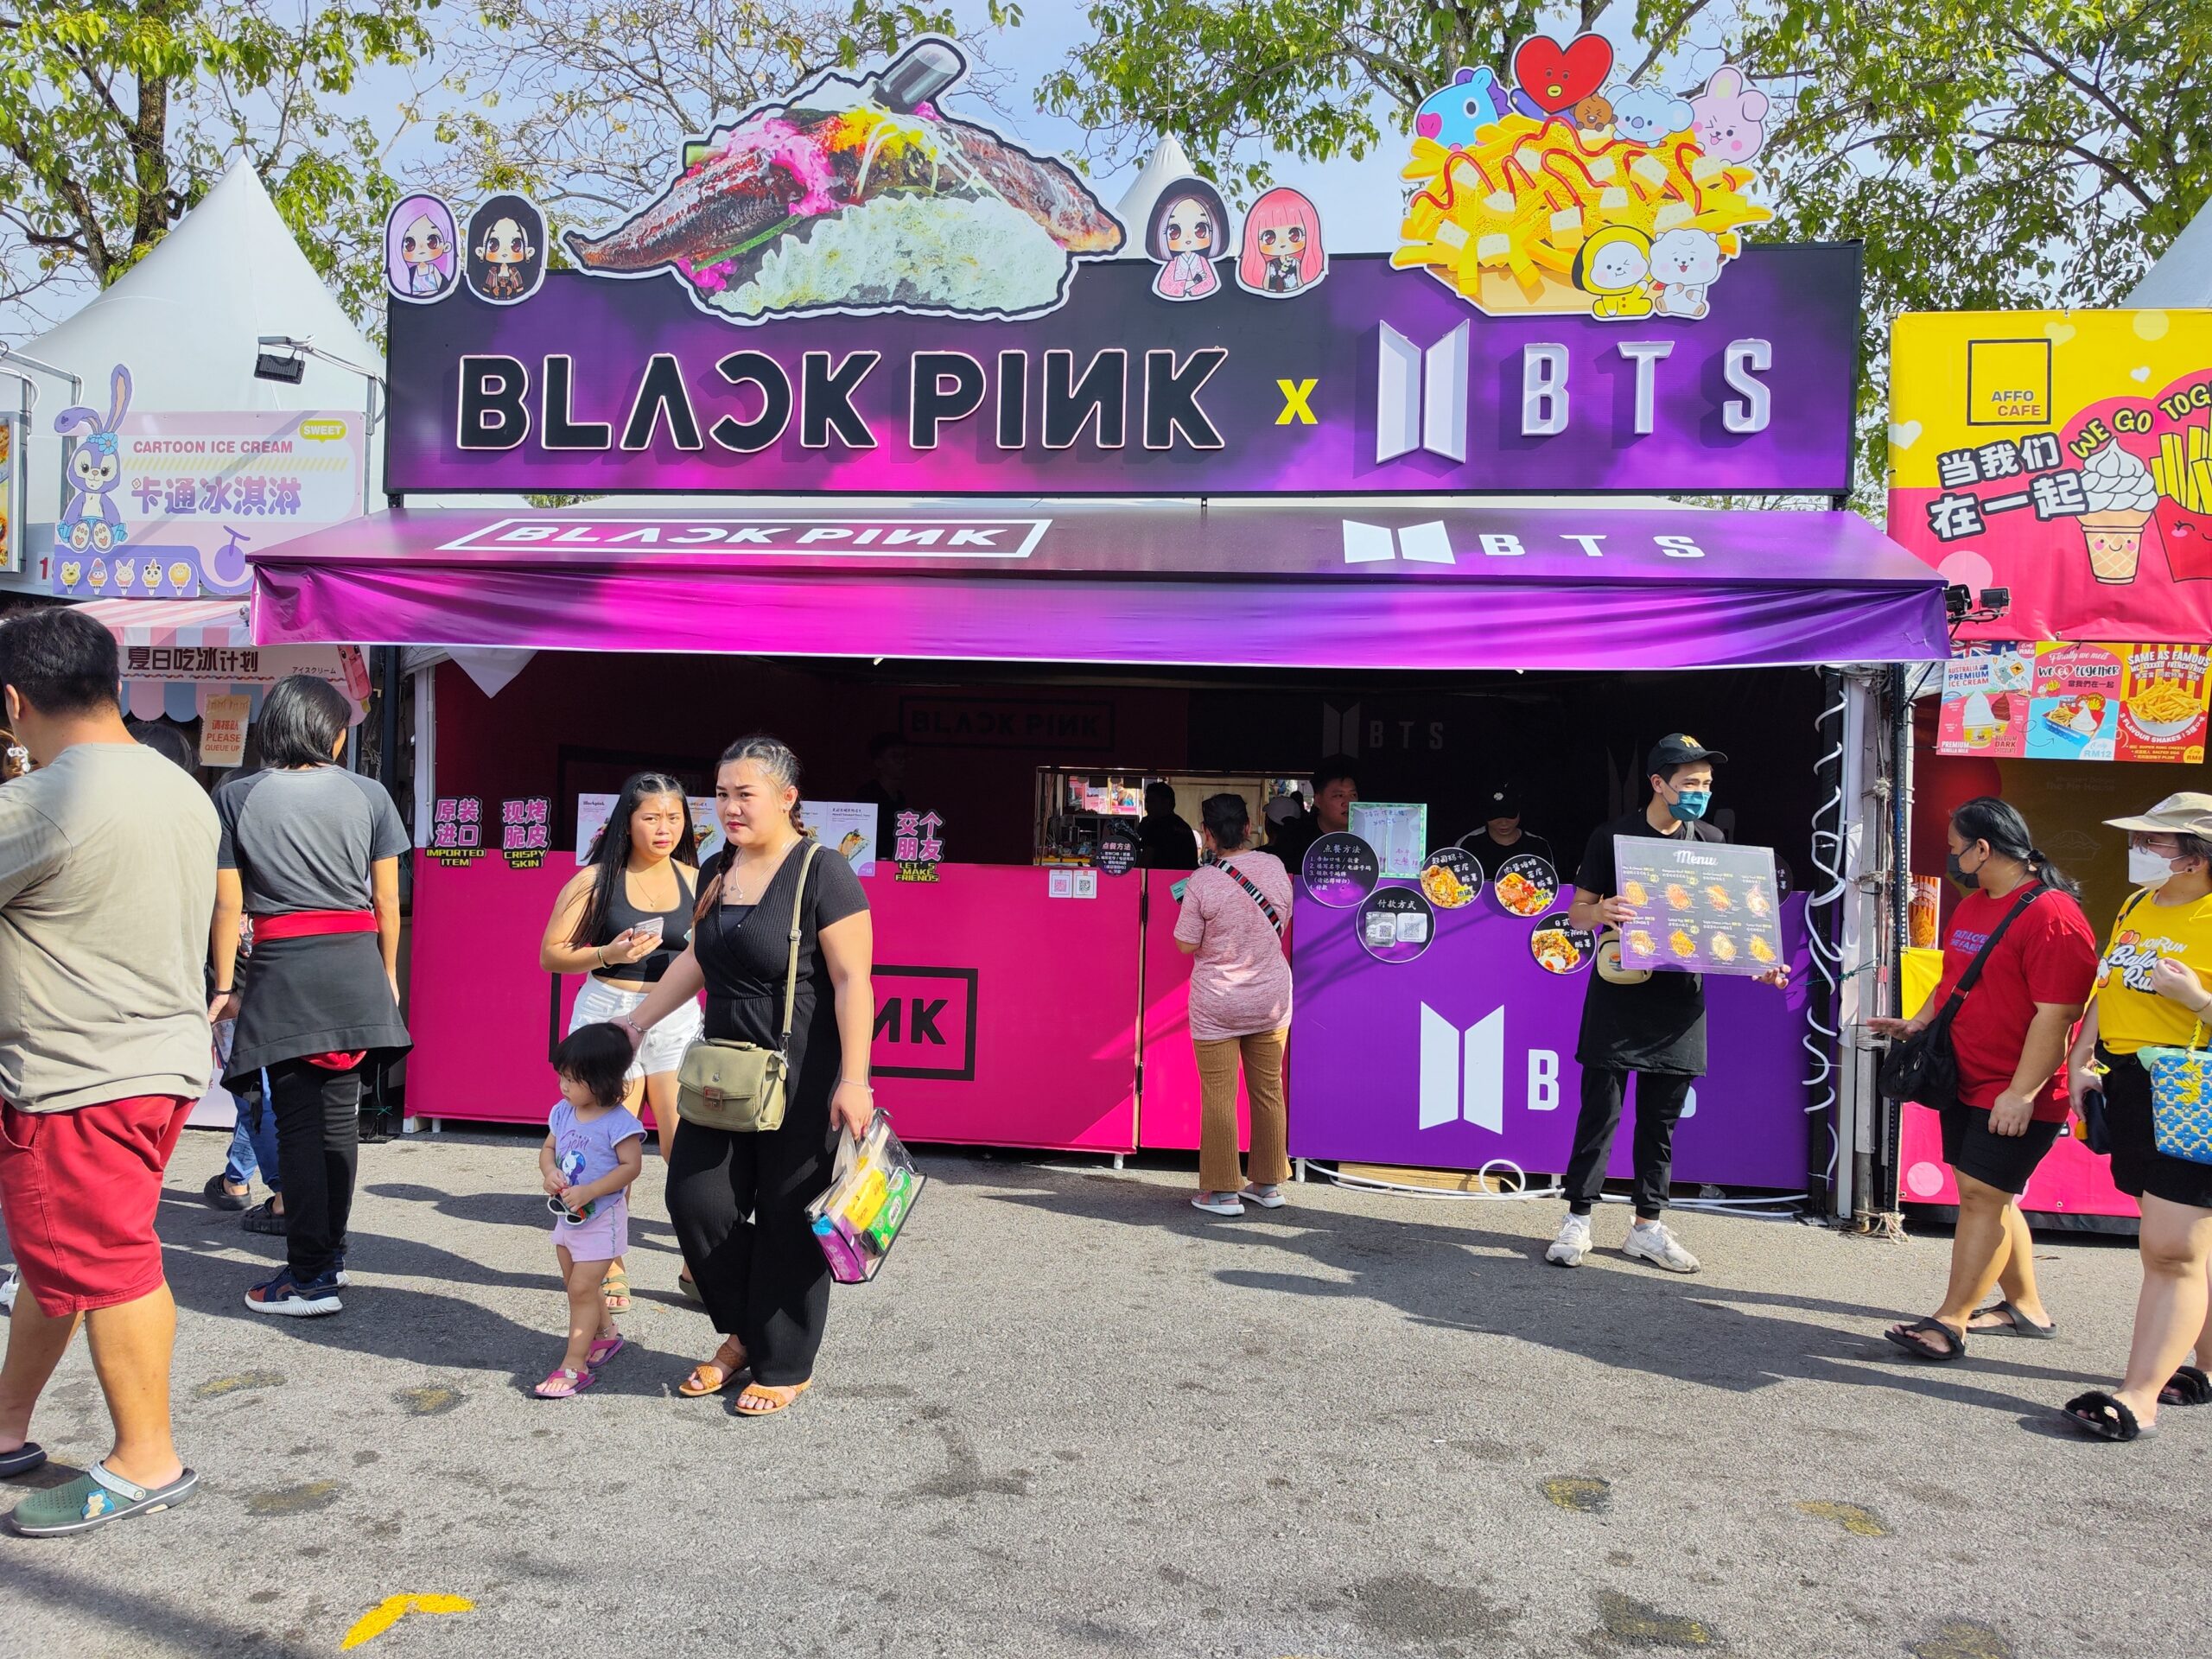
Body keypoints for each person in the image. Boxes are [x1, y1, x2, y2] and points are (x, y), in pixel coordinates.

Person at [0, 607, 217, 1535]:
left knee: (106, 1261)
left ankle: (144, 1459)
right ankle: (7, 1426)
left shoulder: (45, 801)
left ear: (15, 701)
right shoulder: (178, 786)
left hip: (75, 1074)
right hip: (155, 1063)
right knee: (61, 1260)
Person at [613, 736, 874, 1418]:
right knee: (695, 1202)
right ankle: (751, 1330)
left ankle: (782, 1360)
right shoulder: (717, 869)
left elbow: (854, 981)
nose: (728, 807)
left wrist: (855, 1080)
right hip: (724, 1070)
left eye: (744, 794)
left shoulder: (823, 871)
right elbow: (697, 960)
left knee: (789, 1216)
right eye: (722, 794)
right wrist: (634, 1024)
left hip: (803, 1070)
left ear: (787, 798)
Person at [210, 676, 410, 1318]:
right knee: (337, 1122)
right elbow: (386, 902)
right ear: (333, 734)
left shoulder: (236, 795)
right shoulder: (370, 793)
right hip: (354, 965)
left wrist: (223, 985)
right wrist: (388, 974)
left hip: (284, 969)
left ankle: (308, 1277)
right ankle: (330, 1259)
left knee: (297, 1123)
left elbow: (228, 906)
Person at [1867, 798, 2095, 1360]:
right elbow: (1953, 980)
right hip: (1964, 1077)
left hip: (2017, 1088)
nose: (1951, 858)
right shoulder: (1973, 905)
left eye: (1955, 848)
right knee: (1990, 1196)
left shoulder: (2053, 915)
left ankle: (1950, 1322)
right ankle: (2026, 1308)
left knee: (1981, 1198)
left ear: (1983, 849)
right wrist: (1919, 1024)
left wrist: (2021, 1093)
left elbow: (2058, 1016)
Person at [1552, 734, 1788, 1273]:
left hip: (1680, 1004)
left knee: (1661, 1123)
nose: (1700, 793)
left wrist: (1760, 962)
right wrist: (1602, 911)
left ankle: (1647, 1226)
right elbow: (1576, 914)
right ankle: (1578, 1219)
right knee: (1601, 1114)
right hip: (1619, 995)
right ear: (1658, 783)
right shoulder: (1613, 837)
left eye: (1707, 784)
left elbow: (1727, 924)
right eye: (1689, 783)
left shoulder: (1712, 840)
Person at [2059, 792, 2212, 1441]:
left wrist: (2197, 998)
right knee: (2190, 1241)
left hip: (2194, 1089)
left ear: (2195, 856)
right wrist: (2081, 1056)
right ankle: (2204, 1366)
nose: (2139, 849)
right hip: (2132, 1084)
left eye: (2153, 840)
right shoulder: (2136, 904)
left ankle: (2139, 1396)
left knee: (2172, 1250)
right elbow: (2109, 984)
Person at [540, 772, 702, 1307]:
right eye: (651, 817)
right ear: (626, 823)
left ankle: (697, 1259)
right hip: (608, 1016)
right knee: (610, 1148)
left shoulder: (697, 879)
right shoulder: (594, 880)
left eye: (674, 818)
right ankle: (607, 1260)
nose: (664, 828)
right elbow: (552, 955)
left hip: (676, 1018)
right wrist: (609, 953)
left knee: (687, 1145)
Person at [1176, 794, 1294, 1216]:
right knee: (1269, 1090)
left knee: (1219, 1095)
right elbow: (1283, 920)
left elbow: (1186, 943)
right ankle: (1268, 1184)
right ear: (1248, 828)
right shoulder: (1275, 867)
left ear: (1206, 833)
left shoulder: (1202, 882)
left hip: (1218, 1003)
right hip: (1270, 1000)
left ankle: (1222, 1192)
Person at [533, 1025, 646, 1400]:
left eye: (572, 1079)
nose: (563, 1086)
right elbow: (548, 1149)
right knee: (576, 1284)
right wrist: (550, 1172)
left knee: (581, 1289)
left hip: (601, 1219)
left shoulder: (619, 1123)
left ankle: (574, 1365)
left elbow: (631, 1167)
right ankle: (605, 1334)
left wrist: (591, 1191)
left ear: (601, 1081)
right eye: (562, 1077)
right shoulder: (563, 1112)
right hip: (567, 1217)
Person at [1271, 758, 1357, 873]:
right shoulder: (1295, 837)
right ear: (1318, 800)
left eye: (1353, 795)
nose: (1348, 803)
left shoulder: (1366, 835)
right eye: (1339, 795)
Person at [1457, 781, 1555, 873]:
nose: (1503, 823)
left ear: (1519, 812)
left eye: (1509, 815)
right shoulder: (1468, 844)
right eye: (1495, 816)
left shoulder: (1538, 846)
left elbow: (1550, 882)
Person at [1138, 782, 1199, 871]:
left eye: (1152, 801)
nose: (1147, 807)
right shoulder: (1185, 827)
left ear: (1166, 802)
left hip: (1158, 878)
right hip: (1184, 878)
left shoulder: (1156, 827)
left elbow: (1144, 864)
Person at [855, 732, 910, 817]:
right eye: (895, 756)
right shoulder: (867, 795)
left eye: (904, 756)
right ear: (879, 762)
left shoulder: (900, 797)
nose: (902, 761)